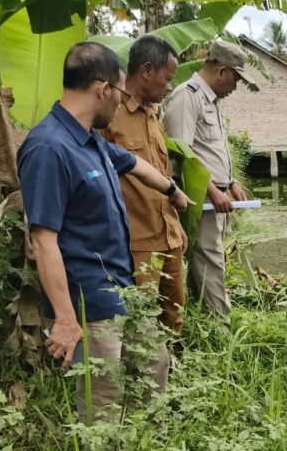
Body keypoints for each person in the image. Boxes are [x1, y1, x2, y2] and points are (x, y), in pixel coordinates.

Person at [18, 42, 193, 423]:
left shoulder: (91, 140)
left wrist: (172, 190)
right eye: (120, 93)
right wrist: (65, 318)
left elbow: (134, 164)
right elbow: (43, 241)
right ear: (103, 90)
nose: (120, 103)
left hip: (122, 291)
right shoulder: (49, 147)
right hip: (88, 303)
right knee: (104, 401)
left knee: (154, 362)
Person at [163, 39, 256, 320]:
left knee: (207, 259)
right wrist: (212, 190)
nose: (235, 87)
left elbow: (212, 150)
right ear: (222, 71)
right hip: (201, 196)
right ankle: (221, 326)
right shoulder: (187, 97)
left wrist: (233, 183)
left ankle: (203, 317)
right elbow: (181, 152)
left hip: (216, 193)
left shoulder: (211, 100)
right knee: (211, 259)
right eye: (236, 80)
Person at [103, 35, 188, 337]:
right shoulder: (110, 117)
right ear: (147, 71)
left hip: (169, 238)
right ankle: (142, 383)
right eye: (168, 79)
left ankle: (174, 381)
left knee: (174, 316)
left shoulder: (154, 114)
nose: (169, 86)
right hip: (137, 243)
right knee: (140, 324)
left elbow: (163, 175)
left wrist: (177, 228)